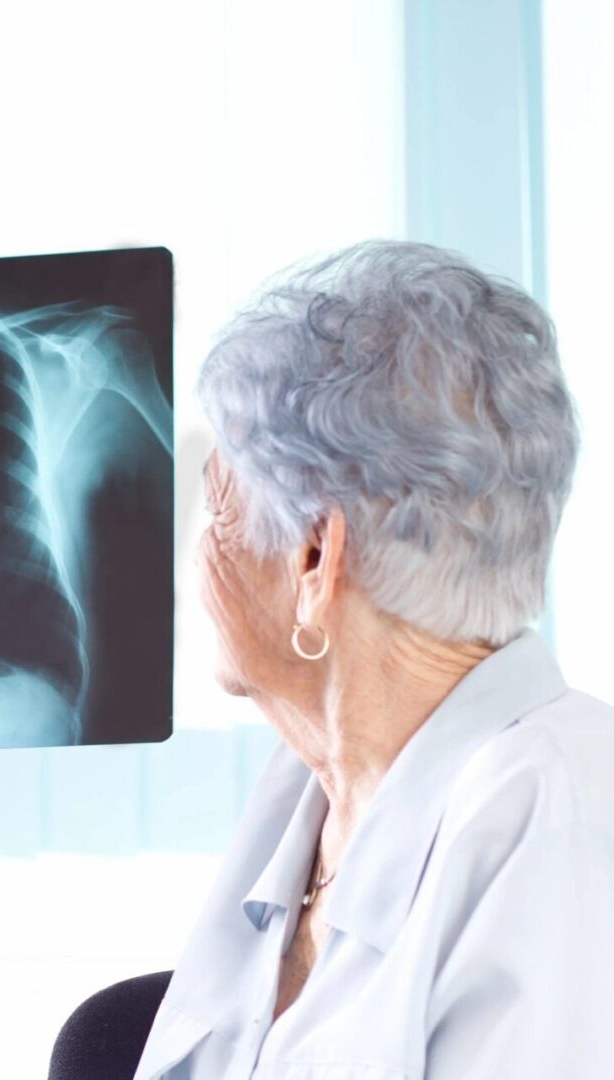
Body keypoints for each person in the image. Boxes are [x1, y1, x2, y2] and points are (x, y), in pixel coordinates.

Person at [131, 241, 614, 1077]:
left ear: (317, 559)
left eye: (215, 506)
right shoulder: (312, 788)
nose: (195, 551)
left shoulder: (556, 819)